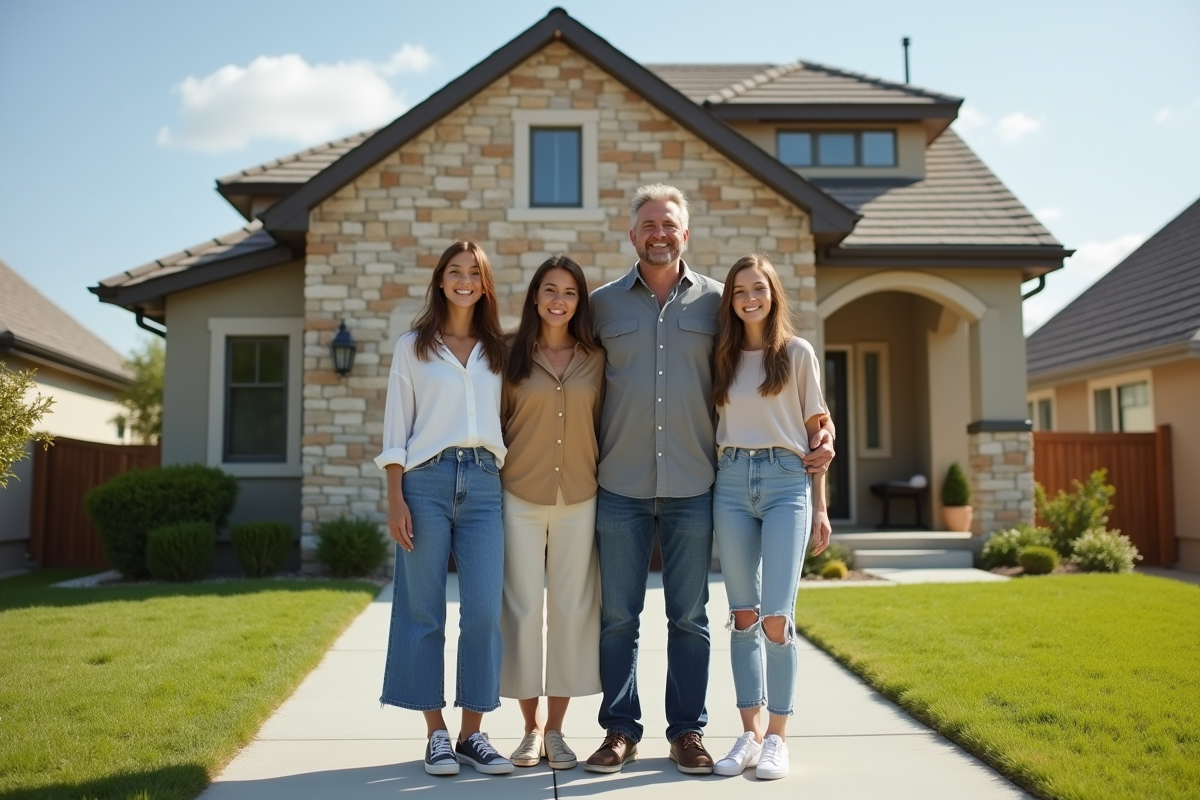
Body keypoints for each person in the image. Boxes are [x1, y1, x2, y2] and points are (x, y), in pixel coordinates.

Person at [585, 185, 835, 775]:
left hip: (698, 483)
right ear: (632, 235)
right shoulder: (600, 307)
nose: (659, 234)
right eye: (648, 224)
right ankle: (620, 730)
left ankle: (687, 731)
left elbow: (769, 368)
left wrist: (821, 434)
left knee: (690, 616)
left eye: (669, 224)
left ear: (685, 233)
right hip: (619, 483)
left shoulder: (720, 305)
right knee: (619, 615)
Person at [374, 240, 514, 777]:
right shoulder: (413, 346)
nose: (464, 281)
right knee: (422, 609)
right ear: (440, 280)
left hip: (483, 484)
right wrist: (395, 498)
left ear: (484, 285)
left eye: (473, 274)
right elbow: (396, 427)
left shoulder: (498, 349)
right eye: (454, 272)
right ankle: (435, 733)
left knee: (482, 611)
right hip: (424, 483)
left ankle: (472, 734)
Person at [709, 254, 831, 780]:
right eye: (739, 291)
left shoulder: (797, 354)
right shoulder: (721, 357)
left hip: (786, 484)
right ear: (730, 301)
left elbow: (819, 436)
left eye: (757, 288)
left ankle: (778, 738)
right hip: (732, 482)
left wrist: (821, 507)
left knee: (776, 619)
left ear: (772, 293)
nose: (748, 298)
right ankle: (749, 733)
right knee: (742, 616)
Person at [499, 255, 605, 770]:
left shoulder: (596, 359)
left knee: (570, 612)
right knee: (521, 611)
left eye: (569, 292)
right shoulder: (507, 355)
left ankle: (558, 731)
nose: (558, 300)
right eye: (549, 290)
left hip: (580, 498)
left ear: (579, 300)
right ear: (535, 297)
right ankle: (529, 730)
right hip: (518, 495)